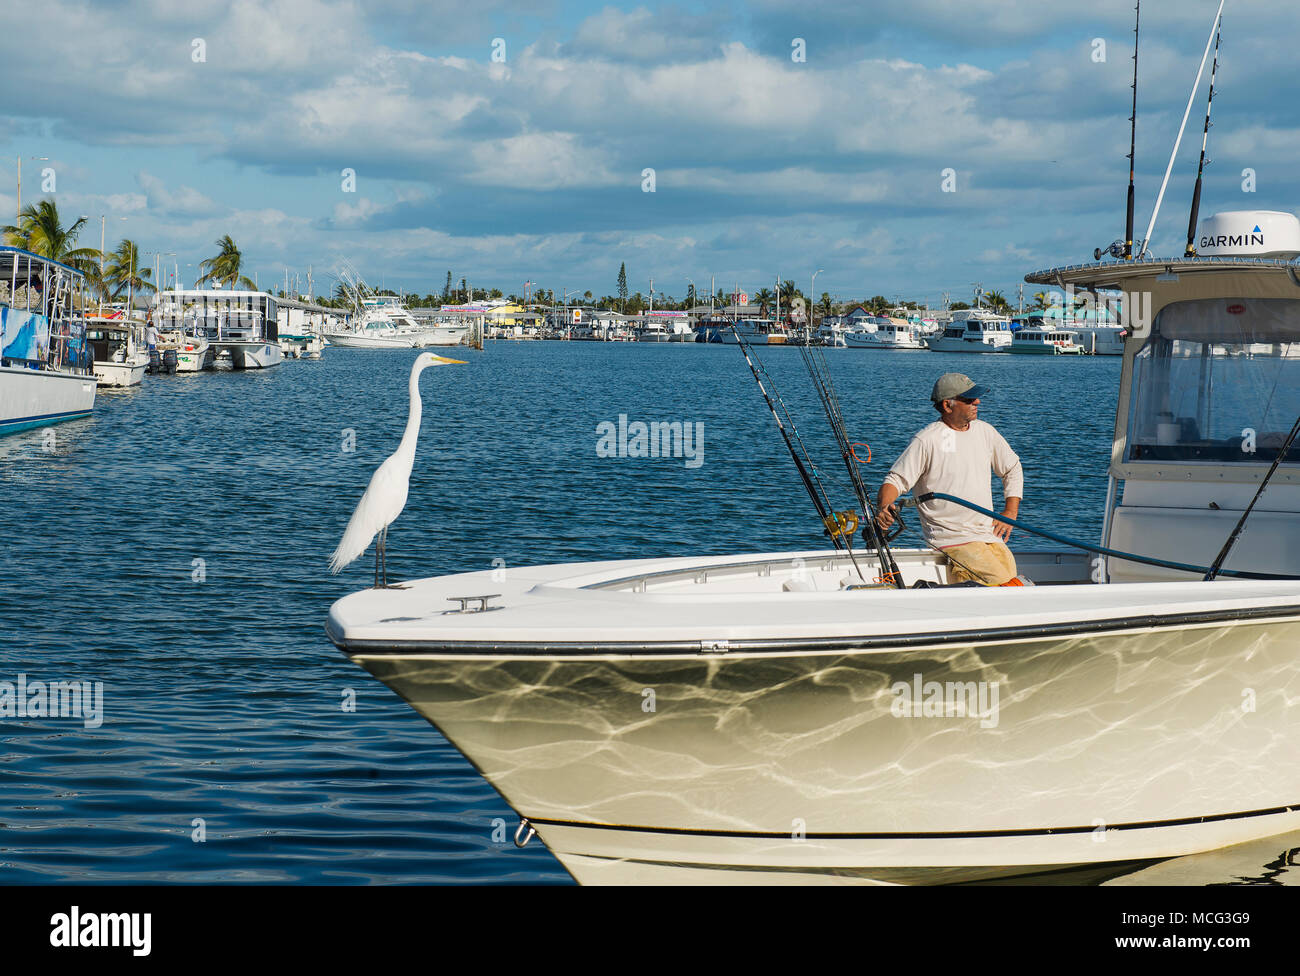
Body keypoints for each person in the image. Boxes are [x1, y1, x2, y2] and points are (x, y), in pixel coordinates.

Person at [875, 372, 1024, 585]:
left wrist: (1010, 511)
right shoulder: (927, 439)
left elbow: (1013, 468)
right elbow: (895, 480)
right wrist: (885, 506)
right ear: (947, 406)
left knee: (1013, 580)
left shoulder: (986, 431)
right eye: (969, 399)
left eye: (976, 397)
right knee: (1005, 584)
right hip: (952, 540)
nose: (977, 402)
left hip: (988, 537)